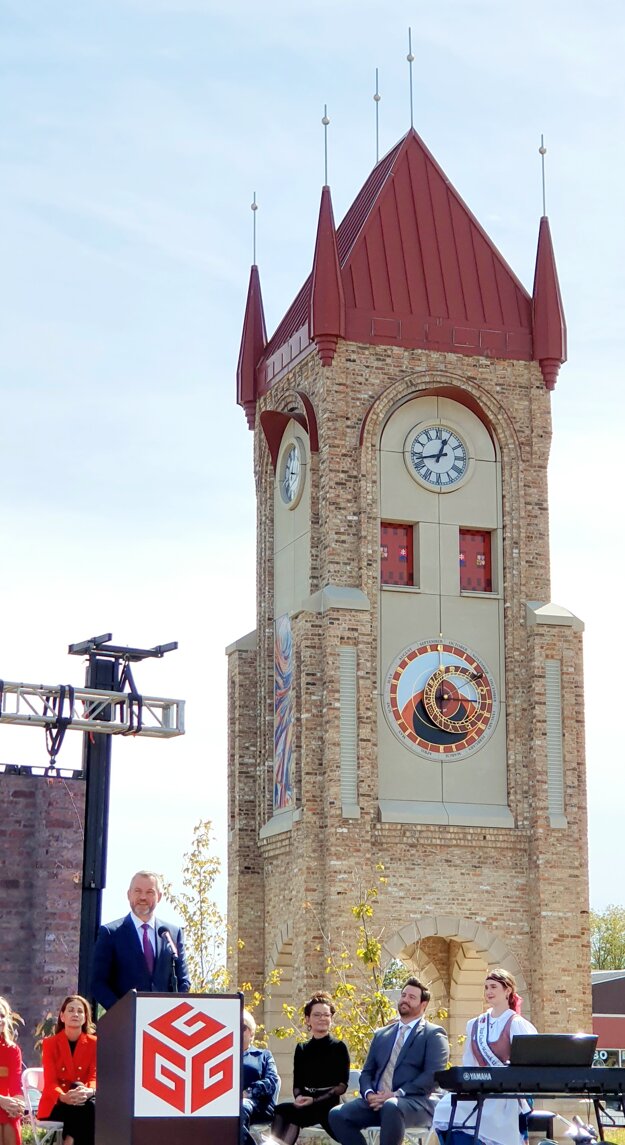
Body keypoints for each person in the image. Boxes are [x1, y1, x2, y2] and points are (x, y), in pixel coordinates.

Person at [329, 976, 449, 1145]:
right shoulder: (382, 1034)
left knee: (391, 1106)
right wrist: (370, 1094)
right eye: (404, 995)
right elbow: (367, 1072)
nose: (405, 999)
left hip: (416, 1103)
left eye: (412, 997)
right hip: (378, 1103)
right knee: (337, 1114)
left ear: (423, 1005)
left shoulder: (433, 1034)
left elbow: (433, 1076)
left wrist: (395, 1094)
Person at [432, 968, 537, 1145]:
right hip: (480, 1088)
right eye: (486, 987)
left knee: (494, 1110)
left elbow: (528, 1062)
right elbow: (469, 1063)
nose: (488, 992)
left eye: (494, 987)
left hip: (507, 1093)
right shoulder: (475, 1024)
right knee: (446, 1106)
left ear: (507, 990)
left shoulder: (517, 1023)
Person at [90, 869, 190, 1010]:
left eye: (150, 892)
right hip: (127, 1024)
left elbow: (183, 980)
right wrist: (123, 1012)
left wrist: (173, 1010)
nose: (143, 897)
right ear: (129, 895)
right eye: (137, 891)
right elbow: (98, 984)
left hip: (165, 1023)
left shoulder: (172, 933)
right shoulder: (110, 933)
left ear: (159, 896)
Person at [271, 991, 349, 1144]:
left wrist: (314, 1100)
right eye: (317, 1015)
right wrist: (299, 1097)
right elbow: (298, 1083)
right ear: (307, 1019)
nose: (322, 1019)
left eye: (326, 1015)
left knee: (324, 1119)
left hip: (329, 1105)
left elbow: (342, 1086)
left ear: (331, 1019)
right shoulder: (302, 1048)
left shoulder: (339, 1047)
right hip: (307, 1103)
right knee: (281, 1111)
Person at [38, 995, 97, 1145]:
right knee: (86, 1106)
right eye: (71, 1010)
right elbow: (50, 1082)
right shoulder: (50, 1044)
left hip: (84, 1100)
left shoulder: (94, 1043)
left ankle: (69, 1140)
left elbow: (94, 1076)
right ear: (62, 1017)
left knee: (85, 1100)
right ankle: (70, 1141)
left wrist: (89, 1091)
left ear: (85, 1018)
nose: (75, 1014)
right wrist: (64, 1097)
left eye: (80, 1011)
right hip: (57, 1103)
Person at [241, 1009, 280, 1145]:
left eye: (243, 1027)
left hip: (260, 1105)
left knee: (241, 1107)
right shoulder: (224, 1057)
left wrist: (249, 1092)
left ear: (251, 1032)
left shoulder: (263, 1055)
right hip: (231, 1105)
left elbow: (271, 1081)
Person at [0, 997, 24, 1145]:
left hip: (6, 1105)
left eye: (2, 1016)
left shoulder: (12, 1049)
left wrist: (18, 1105)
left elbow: (15, 1085)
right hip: (2, 1102)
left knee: (11, 1118)